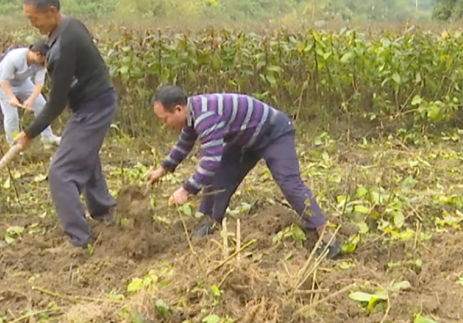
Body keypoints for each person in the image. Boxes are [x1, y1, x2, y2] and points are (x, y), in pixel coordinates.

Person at [146, 86, 341, 259]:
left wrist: (186, 190)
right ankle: (210, 222)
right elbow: (184, 144)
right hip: (246, 139)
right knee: (220, 178)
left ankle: (326, 235)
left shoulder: (206, 116)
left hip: (273, 132)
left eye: (165, 119)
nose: (165, 124)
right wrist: (162, 169)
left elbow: (210, 161)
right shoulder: (192, 113)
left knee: (289, 184)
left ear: (179, 109)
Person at [15, 0, 118, 249]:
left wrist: (29, 133)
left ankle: (79, 240)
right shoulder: (69, 27)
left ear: (51, 12)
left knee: (61, 172)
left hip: (94, 106)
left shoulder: (66, 43)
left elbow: (56, 103)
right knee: (85, 155)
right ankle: (105, 211)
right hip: (94, 101)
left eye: (34, 18)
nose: (32, 23)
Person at [0, 41, 60, 146]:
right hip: (4, 84)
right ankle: (13, 143)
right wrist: (12, 97)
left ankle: (47, 137)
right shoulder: (15, 58)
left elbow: (39, 84)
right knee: (12, 116)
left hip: (23, 82)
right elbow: (3, 81)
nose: (46, 61)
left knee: (42, 105)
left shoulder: (41, 63)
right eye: (44, 58)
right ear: (37, 54)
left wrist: (31, 100)